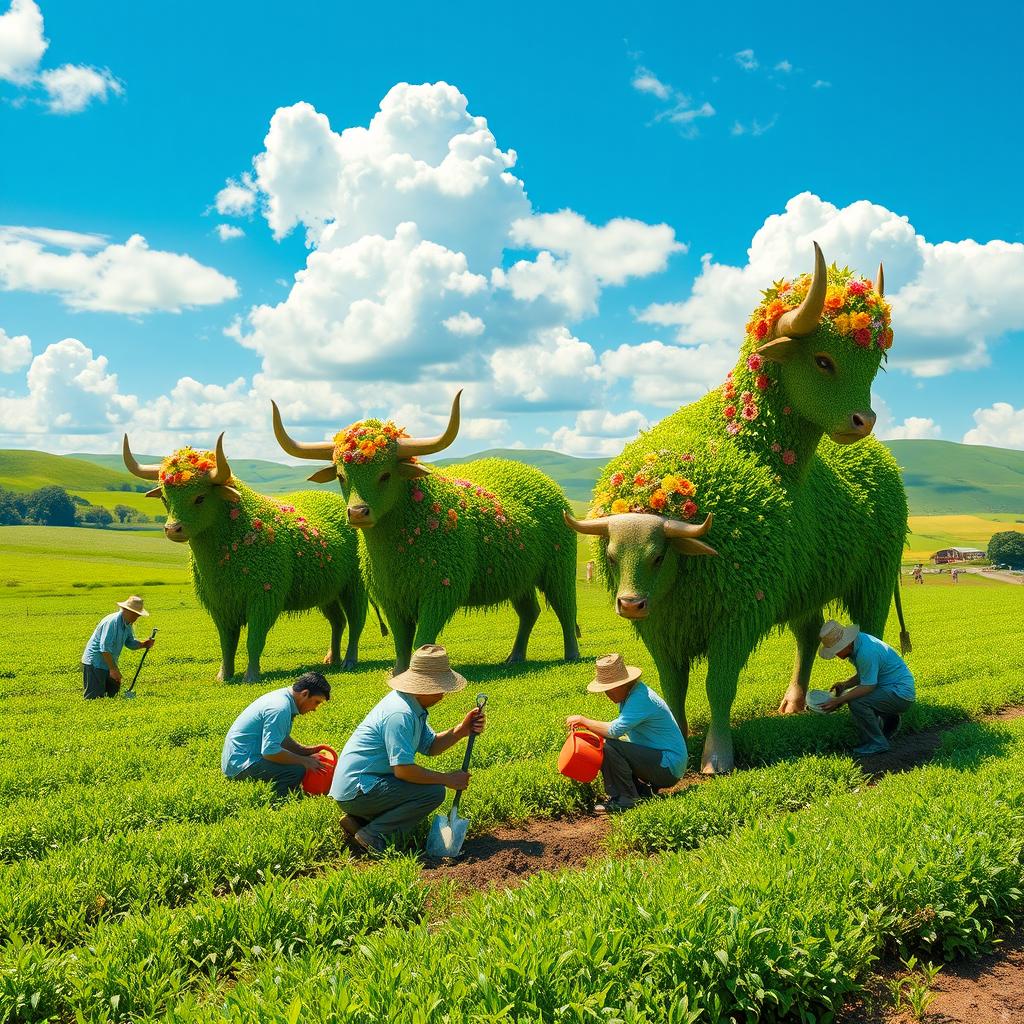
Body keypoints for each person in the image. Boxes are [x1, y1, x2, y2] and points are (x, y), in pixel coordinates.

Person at [331, 644, 486, 856]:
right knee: (432, 792)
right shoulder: (400, 714)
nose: (443, 695)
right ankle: (373, 835)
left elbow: (431, 747)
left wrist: (462, 729)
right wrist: (447, 779)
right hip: (358, 790)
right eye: (440, 688)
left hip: (366, 785)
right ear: (426, 687)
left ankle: (359, 821)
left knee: (427, 788)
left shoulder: (412, 706)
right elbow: (403, 771)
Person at [565, 652, 686, 813]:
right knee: (611, 744)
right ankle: (639, 790)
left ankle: (626, 798)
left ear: (622, 684)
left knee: (609, 746)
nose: (607, 695)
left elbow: (614, 731)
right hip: (665, 761)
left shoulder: (640, 698)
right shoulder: (633, 694)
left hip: (668, 766)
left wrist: (584, 721)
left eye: (609, 689)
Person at [221, 671, 333, 797]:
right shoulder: (280, 708)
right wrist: (305, 761)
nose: (314, 709)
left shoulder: (284, 699)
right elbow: (270, 752)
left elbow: (281, 739)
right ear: (305, 694)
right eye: (316, 702)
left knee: (298, 762)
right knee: (296, 770)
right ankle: (279, 800)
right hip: (242, 765)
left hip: (240, 759)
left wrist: (305, 751)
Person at [817, 620, 916, 756]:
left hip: (899, 694)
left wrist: (839, 700)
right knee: (858, 697)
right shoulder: (860, 643)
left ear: (846, 643)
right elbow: (867, 674)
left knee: (857, 702)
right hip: (895, 690)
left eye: (837, 651)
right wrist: (845, 685)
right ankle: (889, 723)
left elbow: (868, 686)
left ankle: (877, 743)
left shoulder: (865, 652)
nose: (837, 656)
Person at [81, 595, 156, 699]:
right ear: (126, 610)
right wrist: (113, 669)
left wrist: (144, 644)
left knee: (112, 695)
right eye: (135, 614)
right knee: (94, 697)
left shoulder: (127, 623)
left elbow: (129, 642)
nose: (137, 617)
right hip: (95, 662)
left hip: (109, 663)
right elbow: (104, 649)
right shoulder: (112, 622)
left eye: (138, 615)